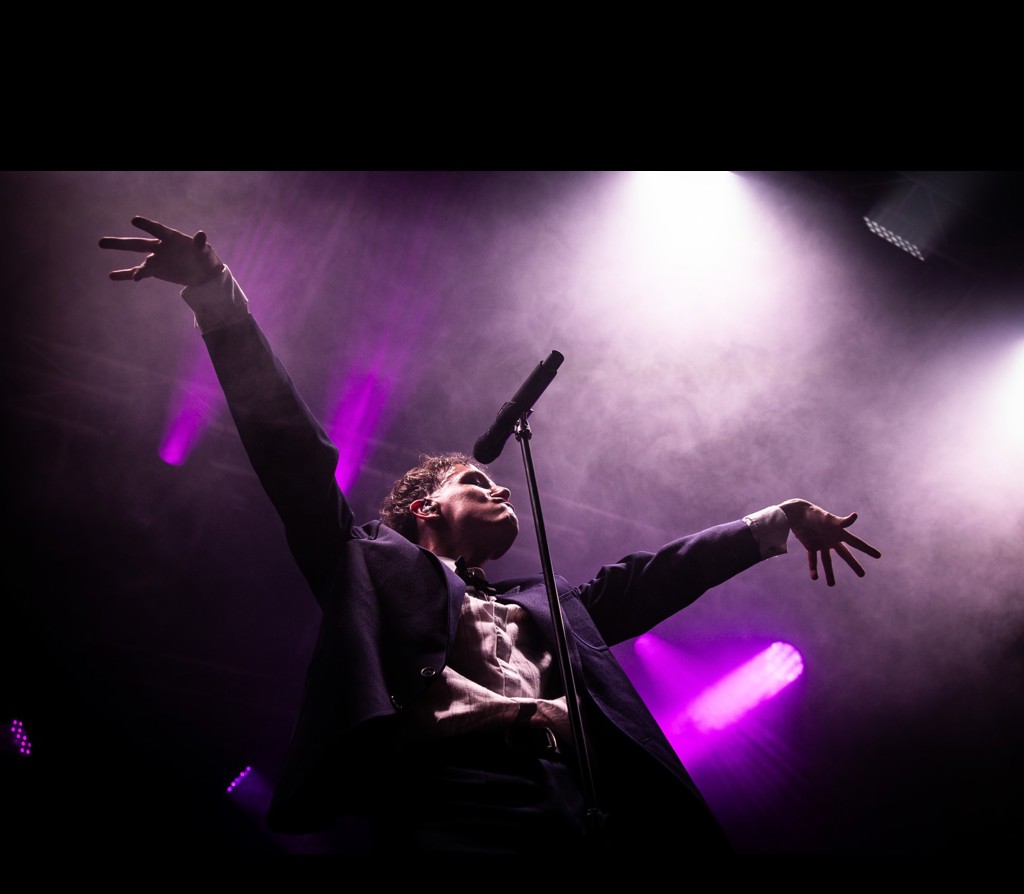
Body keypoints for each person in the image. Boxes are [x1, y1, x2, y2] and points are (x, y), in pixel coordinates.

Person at [99, 215, 882, 855]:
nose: (499, 487)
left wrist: (777, 519)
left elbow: (655, 577)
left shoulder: (549, 601)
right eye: (475, 483)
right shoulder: (365, 560)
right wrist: (217, 296)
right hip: (450, 801)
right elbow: (291, 454)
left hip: (575, 807)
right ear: (423, 510)